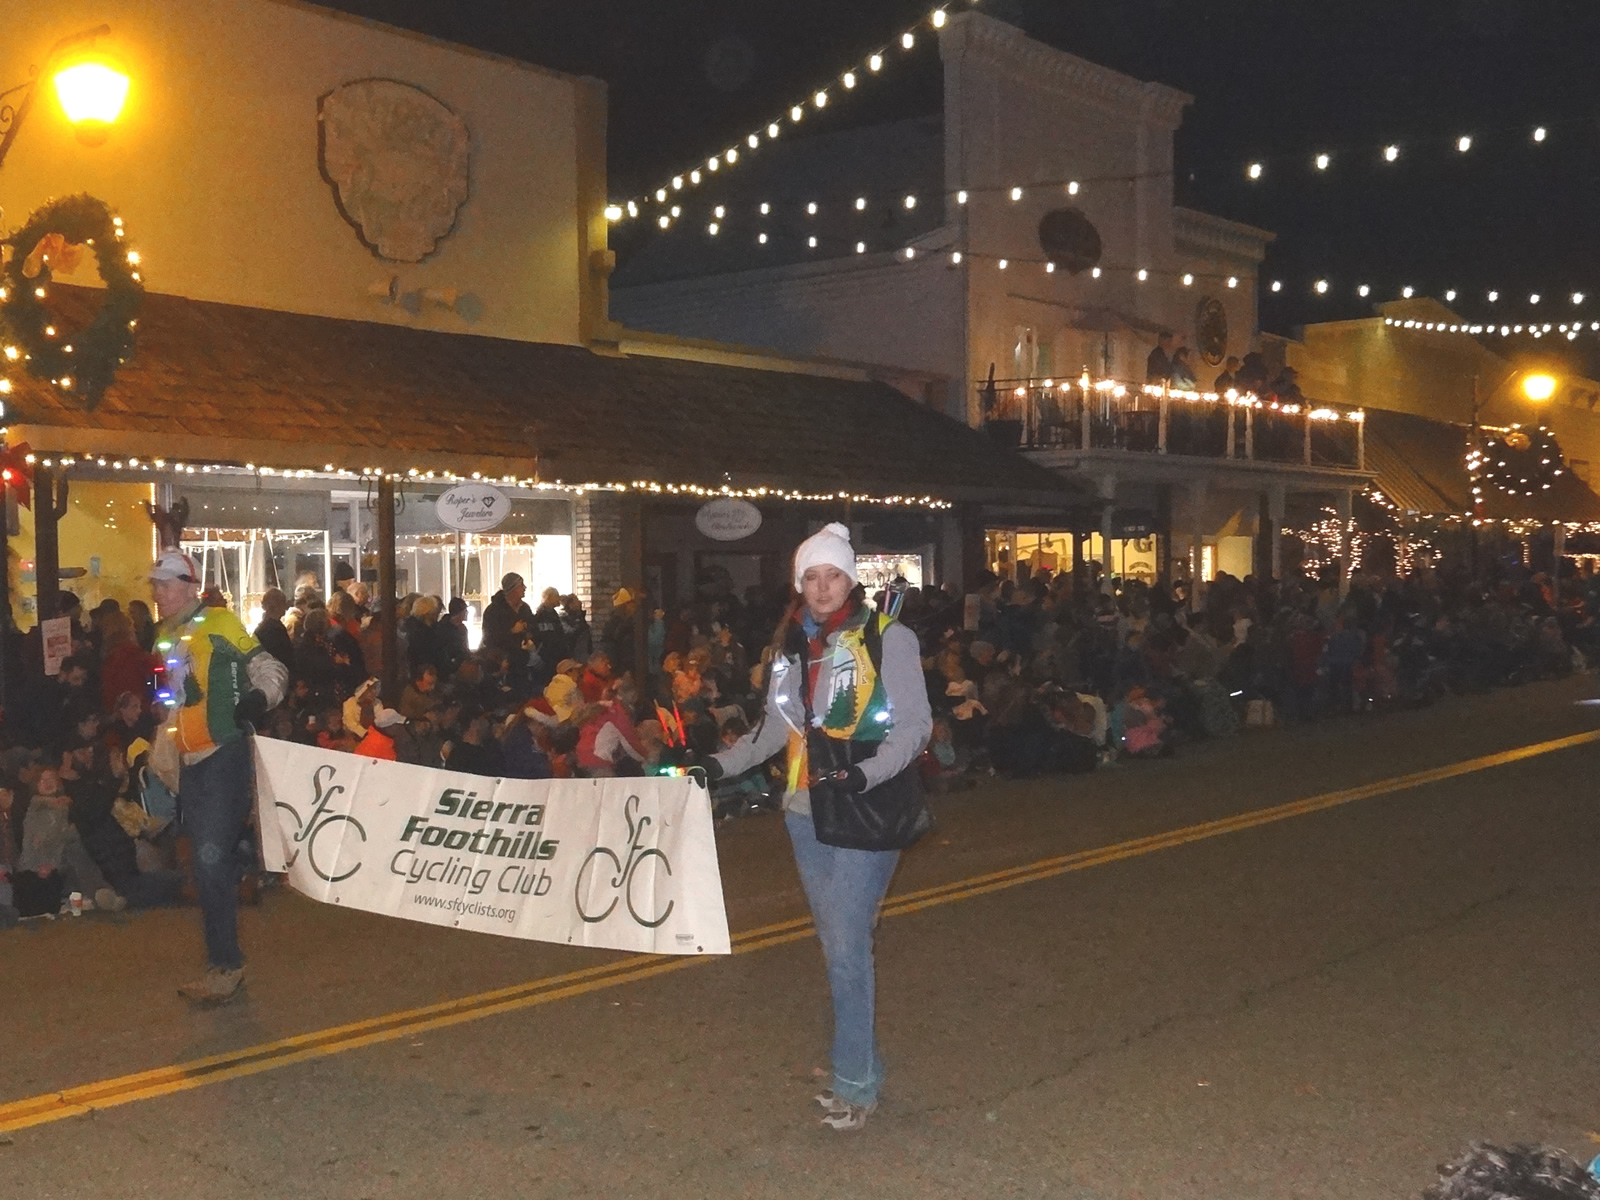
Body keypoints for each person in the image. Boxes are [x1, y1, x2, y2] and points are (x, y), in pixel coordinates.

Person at [705, 523, 932, 1131]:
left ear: (851, 579)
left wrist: (866, 775)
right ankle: (858, 1069)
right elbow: (772, 732)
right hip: (805, 813)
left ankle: (856, 1084)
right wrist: (716, 766)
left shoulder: (889, 638)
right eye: (812, 576)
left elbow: (914, 726)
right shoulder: (791, 646)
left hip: (865, 807)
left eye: (834, 575)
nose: (823, 587)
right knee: (837, 946)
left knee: (848, 948)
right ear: (799, 583)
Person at [149, 549, 287, 1004]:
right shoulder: (165, 636)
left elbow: (270, 668)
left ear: (189, 586)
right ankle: (222, 962)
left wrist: (258, 699)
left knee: (209, 861)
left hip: (223, 755)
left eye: (165, 584)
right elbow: (171, 694)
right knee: (206, 863)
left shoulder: (220, 622)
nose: (157, 592)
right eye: (155, 584)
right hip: (189, 764)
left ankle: (226, 966)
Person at [482, 573, 534, 691]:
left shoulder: (525, 608)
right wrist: (512, 631)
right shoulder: (493, 611)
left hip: (524, 661)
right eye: (521, 585)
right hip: (503, 665)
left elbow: (532, 626)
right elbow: (489, 638)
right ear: (512, 588)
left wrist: (529, 635)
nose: (525, 588)